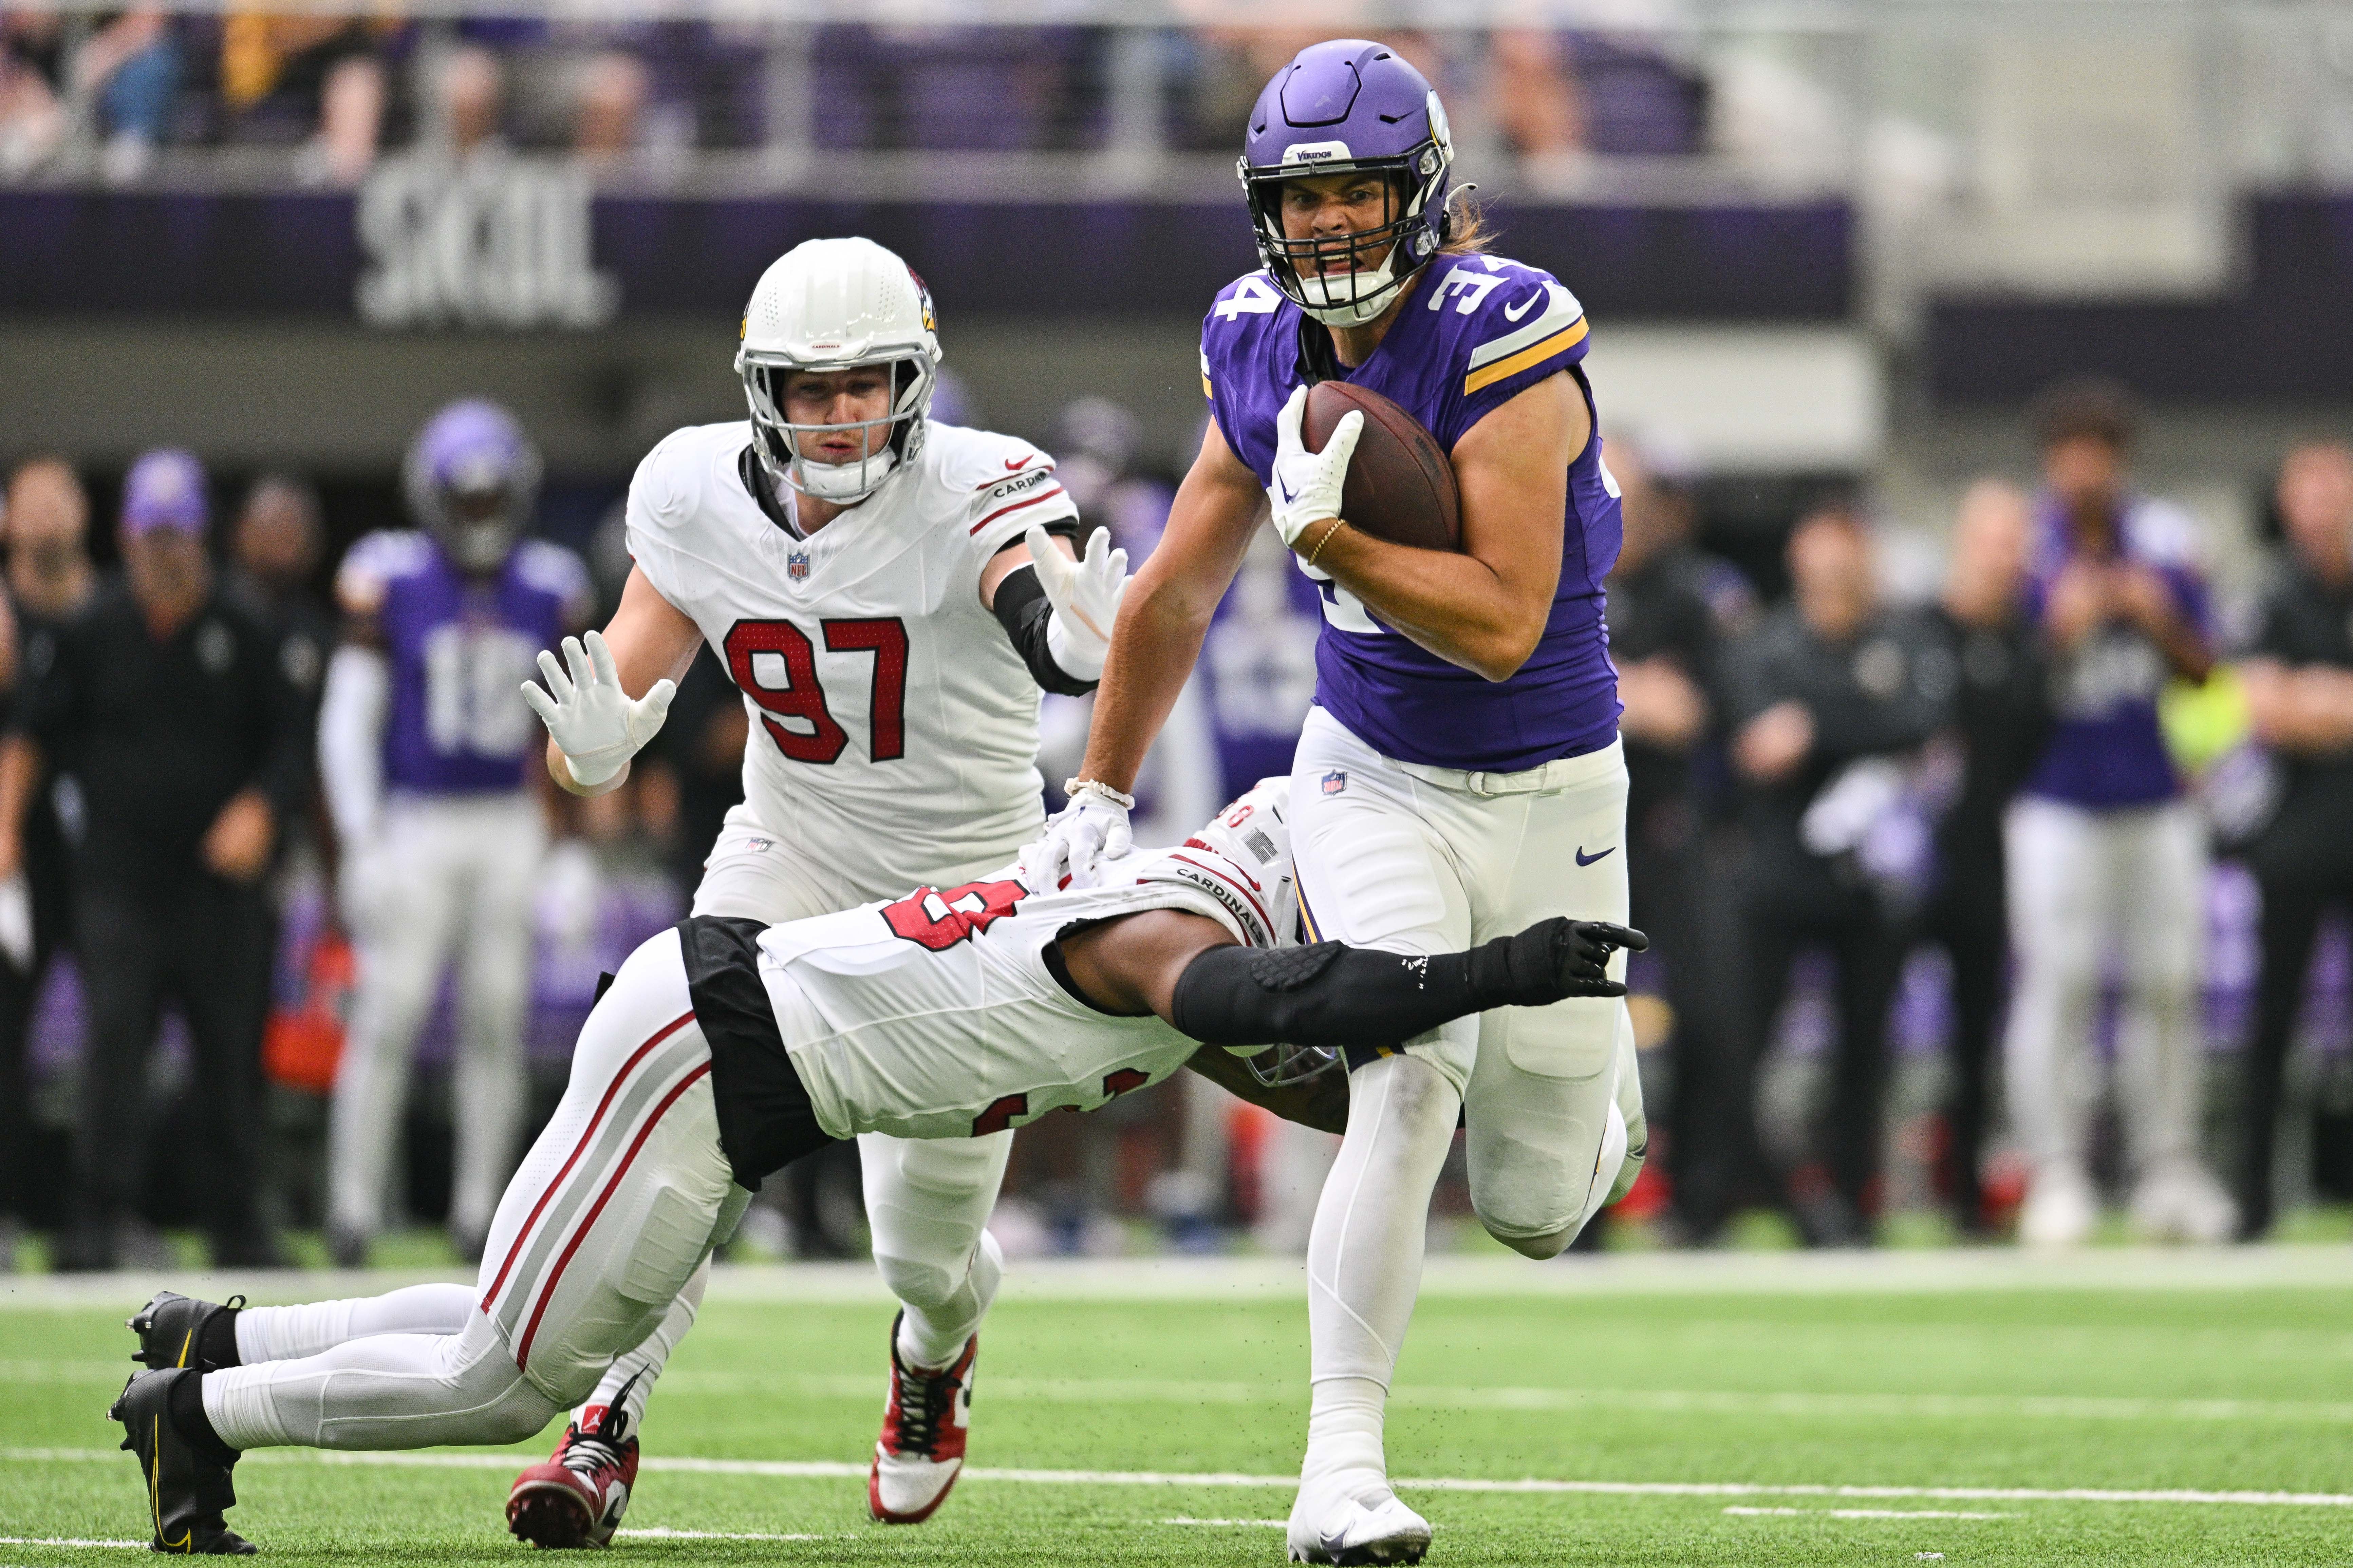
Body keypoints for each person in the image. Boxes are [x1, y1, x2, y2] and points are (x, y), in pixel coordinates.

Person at [105, 778, 1646, 1556]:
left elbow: (1310, 1049)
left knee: (510, 1322)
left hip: (734, 1051)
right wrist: (1496, 969)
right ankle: (199, 1421)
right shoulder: (1158, 930)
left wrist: (1492, 1082)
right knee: (506, 1380)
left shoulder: (1182, 929)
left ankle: (212, 1339)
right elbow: (1279, 1004)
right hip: (710, 1058)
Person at [1024, 40, 1644, 1563]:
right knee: (1404, 1066)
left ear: (1420, 191)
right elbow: (1170, 590)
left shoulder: (1507, 328)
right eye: (1298, 203)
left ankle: (1586, 1099)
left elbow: (1502, 620)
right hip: (1369, 777)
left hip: (1553, 781)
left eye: (1356, 192)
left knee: (1537, 1208)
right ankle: (1338, 1473)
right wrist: (1095, 792)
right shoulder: (1250, 338)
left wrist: (1340, 546)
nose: (1326, 230)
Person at [508, 235, 1133, 1542]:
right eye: (813, 386)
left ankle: (932, 1352)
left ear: (915, 382)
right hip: (787, 853)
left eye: (869, 384)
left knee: (923, 1252)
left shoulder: (981, 483)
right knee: (685, 1140)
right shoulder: (694, 493)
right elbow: (623, 676)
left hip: (964, 890)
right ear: (764, 391)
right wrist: (593, 747)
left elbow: (1032, 598)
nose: (842, 413)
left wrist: (1068, 647)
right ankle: (604, 1417)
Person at [0, 448, 308, 1270]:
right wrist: (5, 833)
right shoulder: (94, 628)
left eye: (178, 535)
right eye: (151, 535)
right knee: (114, 1050)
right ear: (129, 538)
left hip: (219, 887)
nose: (166, 552)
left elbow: (288, 745)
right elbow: (34, 737)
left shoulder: (244, 629)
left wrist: (259, 809)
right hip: (119, 881)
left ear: (202, 536)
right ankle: (95, 1222)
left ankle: (237, 1224)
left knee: (228, 1053)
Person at [316, 401, 594, 1267]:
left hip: (507, 823)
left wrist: (571, 840)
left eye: (490, 499)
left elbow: (575, 723)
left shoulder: (548, 585)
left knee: (495, 1021)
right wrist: (362, 837)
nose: (479, 516)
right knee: (388, 1014)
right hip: (420, 818)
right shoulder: (390, 576)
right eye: (465, 500)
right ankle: (351, 1210)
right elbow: (346, 720)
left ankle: (481, 1214)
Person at [2004, 380, 2235, 1246]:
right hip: (2055, 795)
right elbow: (1999, 677)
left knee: (2170, 981)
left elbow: (2207, 670)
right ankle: (2054, 1168)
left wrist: (2159, 616)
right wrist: (2057, 628)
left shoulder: (2166, 545)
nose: (2084, 470)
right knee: (2056, 983)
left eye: (2098, 452)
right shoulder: (2028, 549)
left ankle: (2168, 1165)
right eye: (2070, 452)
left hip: (2152, 791)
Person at [1716, 507, 1950, 1246]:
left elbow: (1921, 722)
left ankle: (1856, 1201)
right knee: (1745, 1047)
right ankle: (1744, 1195)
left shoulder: (1902, 638)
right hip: (1779, 877)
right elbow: (1754, 749)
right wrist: (1857, 715)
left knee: (1865, 1050)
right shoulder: (1764, 645)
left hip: (1870, 881)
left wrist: (1813, 726)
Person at [1600, 438, 1748, 1241]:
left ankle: (1699, 1200)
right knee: (1568, 1015)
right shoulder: (1551, 580)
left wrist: (1601, 688)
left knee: (1709, 1009)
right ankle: (1574, 1206)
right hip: (1575, 828)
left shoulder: (1690, 592)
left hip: (1666, 823)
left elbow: (1700, 712)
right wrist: (1628, 690)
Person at [1918, 481, 2047, 1235]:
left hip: (1985, 852)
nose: (2007, 554)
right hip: (1907, 855)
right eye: (1994, 537)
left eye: (2017, 537)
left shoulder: (2029, 643)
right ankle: (1855, 1189)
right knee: (1867, 1026)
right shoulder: (1919, 629)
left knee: (1976, 1030)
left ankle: (1965, 1194)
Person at [2234, 436, 2353, 1239]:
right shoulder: (2271, 598)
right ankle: (2250, 1193)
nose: (2317, 510)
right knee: (2272, 1014)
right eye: (2303, 494)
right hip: (2295, 837)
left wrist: (2318, 698)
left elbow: (2294, 703)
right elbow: (2260, 707)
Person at [0, 458, 98, 1255]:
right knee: (7, 1032)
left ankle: (91, 1215)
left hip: (102, 852)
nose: (43, 523)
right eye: (29, 507)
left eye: (56, 506)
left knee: (117, 1035)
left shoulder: (109, 610)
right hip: (15, 852)